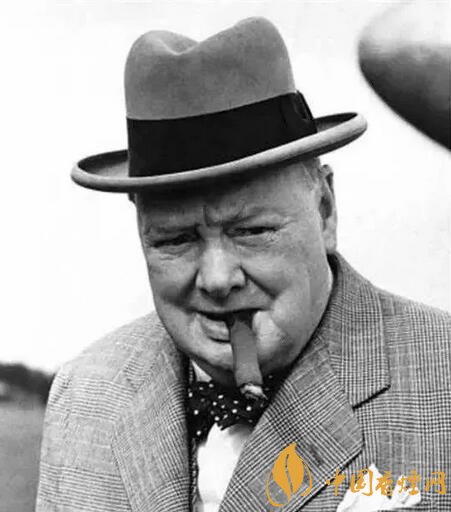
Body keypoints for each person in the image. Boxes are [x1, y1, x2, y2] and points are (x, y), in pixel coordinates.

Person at [36, 17, 450, 512]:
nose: (217, 279)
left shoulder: (442, 381)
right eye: (176, 239)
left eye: (251, 231)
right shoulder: (84, 393)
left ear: (324, 209)